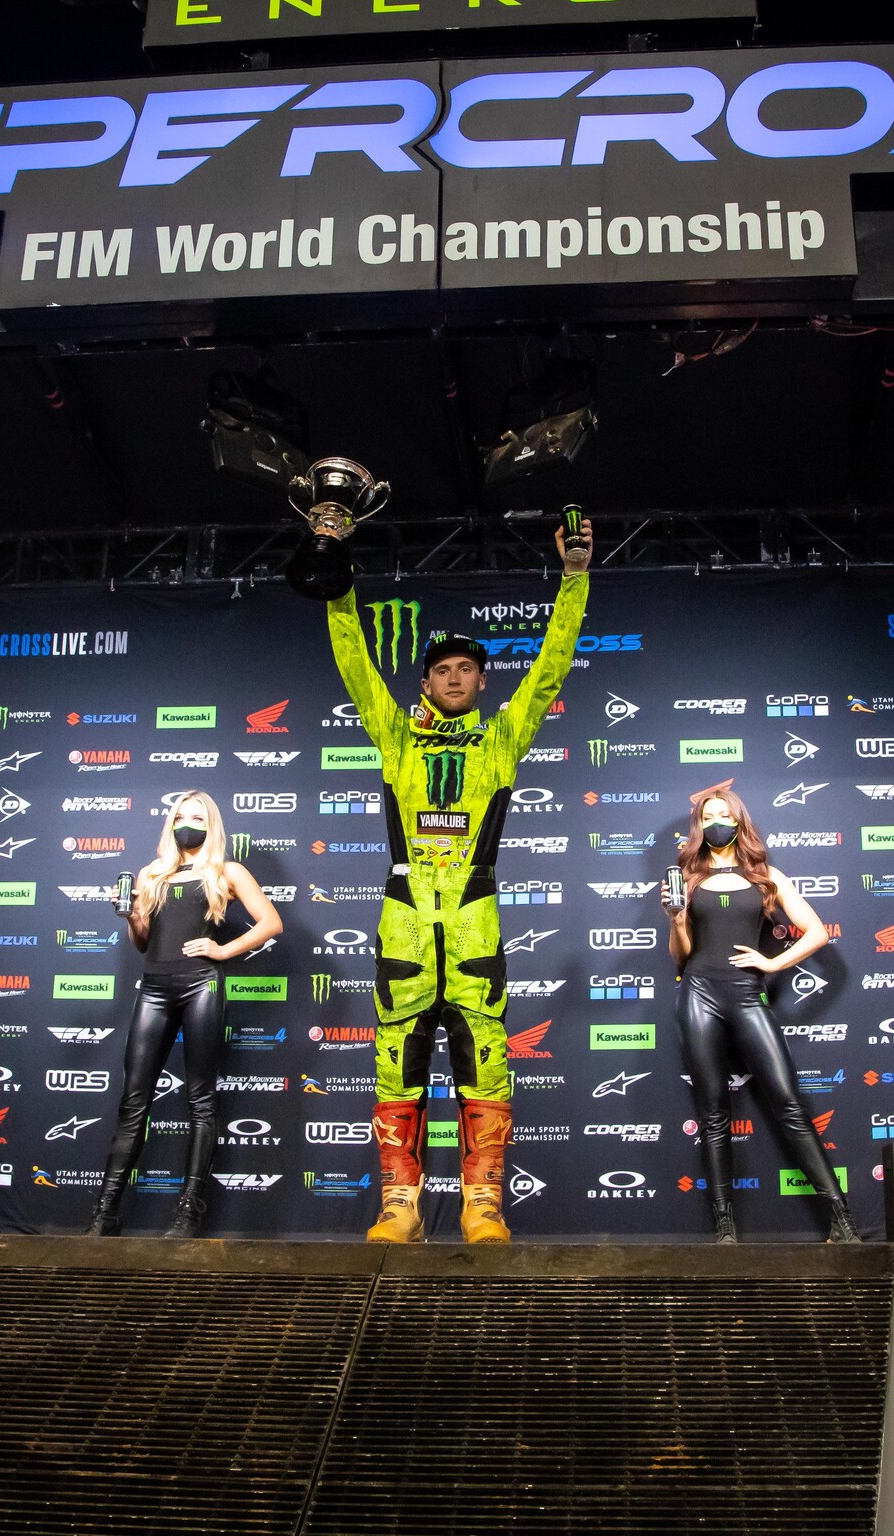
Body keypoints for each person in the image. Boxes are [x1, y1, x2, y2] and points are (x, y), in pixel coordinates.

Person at [325, 518, 595, 1244]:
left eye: (465, 668)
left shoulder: (501, 740)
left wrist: (573, 581)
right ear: (425, 682)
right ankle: (400, 1207)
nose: (453, 676)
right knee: (396, 1065)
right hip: (405, 920)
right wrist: (337, 582)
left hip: (475, 919)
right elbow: (355, 667)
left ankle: (483, 1206)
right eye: (441, 668)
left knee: (486, 1063)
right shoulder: (394, 737)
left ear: (481, 681)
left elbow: (550, 672)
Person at [661, 786, 860, 1243]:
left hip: (749, 996)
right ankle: (725, 1228)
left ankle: (842, 1221)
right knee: (713, 1113)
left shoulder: (766, 876)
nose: (716, 822)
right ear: (698, 826)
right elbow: (680, 957)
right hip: (698, 995)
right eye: (707, 816)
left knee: (789, 1104)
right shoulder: (686, 877)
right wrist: (676, 921)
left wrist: (772, 963)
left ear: (739, 821)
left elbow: (816, 933)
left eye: (724, 815)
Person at [86, 791, 281, 1238]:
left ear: (211, 825)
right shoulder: (151, 873)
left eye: (196, 817)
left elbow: (271, 922)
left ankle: (188, 1212)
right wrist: (133, 916)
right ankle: (105, 1213)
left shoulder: (227, 871)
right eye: (179, 817)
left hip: (201, 986)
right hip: (154, 988)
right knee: (133, 1100)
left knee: (200, 1101)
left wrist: (223, 950)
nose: (186, 824)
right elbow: (143, 943)